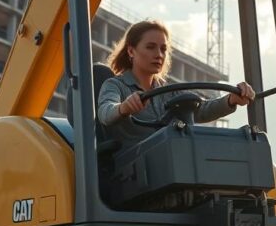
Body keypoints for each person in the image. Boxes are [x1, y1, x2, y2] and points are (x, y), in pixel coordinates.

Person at [96, 20, 256, 150]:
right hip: (132, 168)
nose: (159, 55)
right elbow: (105, 112)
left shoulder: (167, 91)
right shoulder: (115, 85)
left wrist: (231, 100)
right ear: (131, 51)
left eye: (163, 49)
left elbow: (200, 110)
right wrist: (124, 107)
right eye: (150, 47)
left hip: (169, 160)